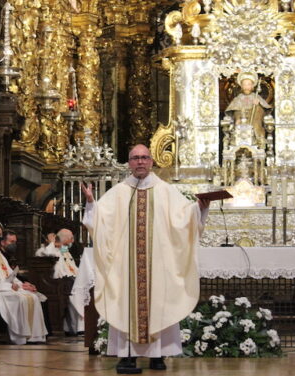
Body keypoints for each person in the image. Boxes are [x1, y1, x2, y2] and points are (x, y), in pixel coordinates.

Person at [81, 144, 210, 372]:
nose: (140, 162)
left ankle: (158, 354)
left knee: (159, 302)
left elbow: (184, 218)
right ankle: (126, 356)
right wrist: (91, 203)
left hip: (158, 265)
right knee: (125, 304)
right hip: (126, 267)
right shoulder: (119, 192)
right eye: (135, 158)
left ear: (151, 161)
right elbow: (100, 220)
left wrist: (199, 208)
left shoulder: (166, 191)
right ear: (129, 163)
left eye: (144, 158)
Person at [0, 224, 47, 344]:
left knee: (33, 297)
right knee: (21, 299)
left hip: (6, 288)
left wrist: (21, 285)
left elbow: (10, 274)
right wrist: (9, 286)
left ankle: (35, 336)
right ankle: (20, 337)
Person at [224, 71, 272, 148]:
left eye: (249, 84)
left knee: (256, 125)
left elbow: (266, 110)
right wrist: (238, 117)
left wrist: (258, 105)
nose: (246, 87)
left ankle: (259, 143)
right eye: (244, 84)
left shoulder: (256, 97)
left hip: (254, 121)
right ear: (241, 86)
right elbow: (233, 111)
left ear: (253, 86)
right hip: (241, 121)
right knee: (237, 126)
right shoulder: (238, 98)